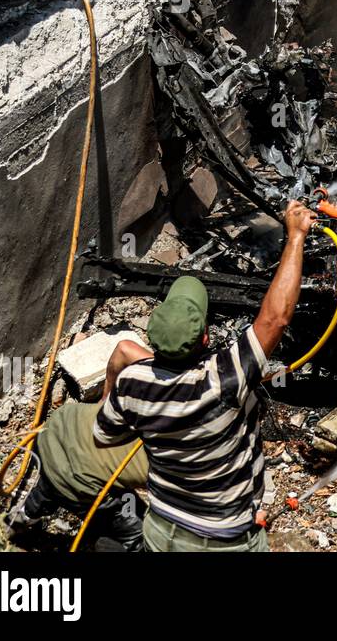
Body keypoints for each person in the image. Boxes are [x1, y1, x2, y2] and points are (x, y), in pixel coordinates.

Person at [93, 200, 316, 552]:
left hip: (160, 529)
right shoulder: (224, 376)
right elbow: (275, 319)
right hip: (221, 541)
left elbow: (103, 437)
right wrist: (296, 237)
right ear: (206, 338)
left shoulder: (132, 384)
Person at [6, 400, 149, 550]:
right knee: (143, 533)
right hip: (77, 477)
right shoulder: (171, 469)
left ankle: (24, 515)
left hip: (58, 426)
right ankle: (100, 544)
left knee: (65, 472)